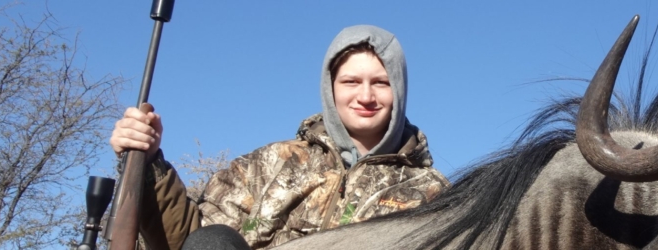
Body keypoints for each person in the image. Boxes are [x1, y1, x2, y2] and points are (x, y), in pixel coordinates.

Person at [109, 25, 449, 250]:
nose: (365, 96)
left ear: (399, 92)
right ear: (330, 89)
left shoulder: (435, 195)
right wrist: (148, 162)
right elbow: (190, 240)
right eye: (350, 82)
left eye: (380, 82)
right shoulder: (269, 164)